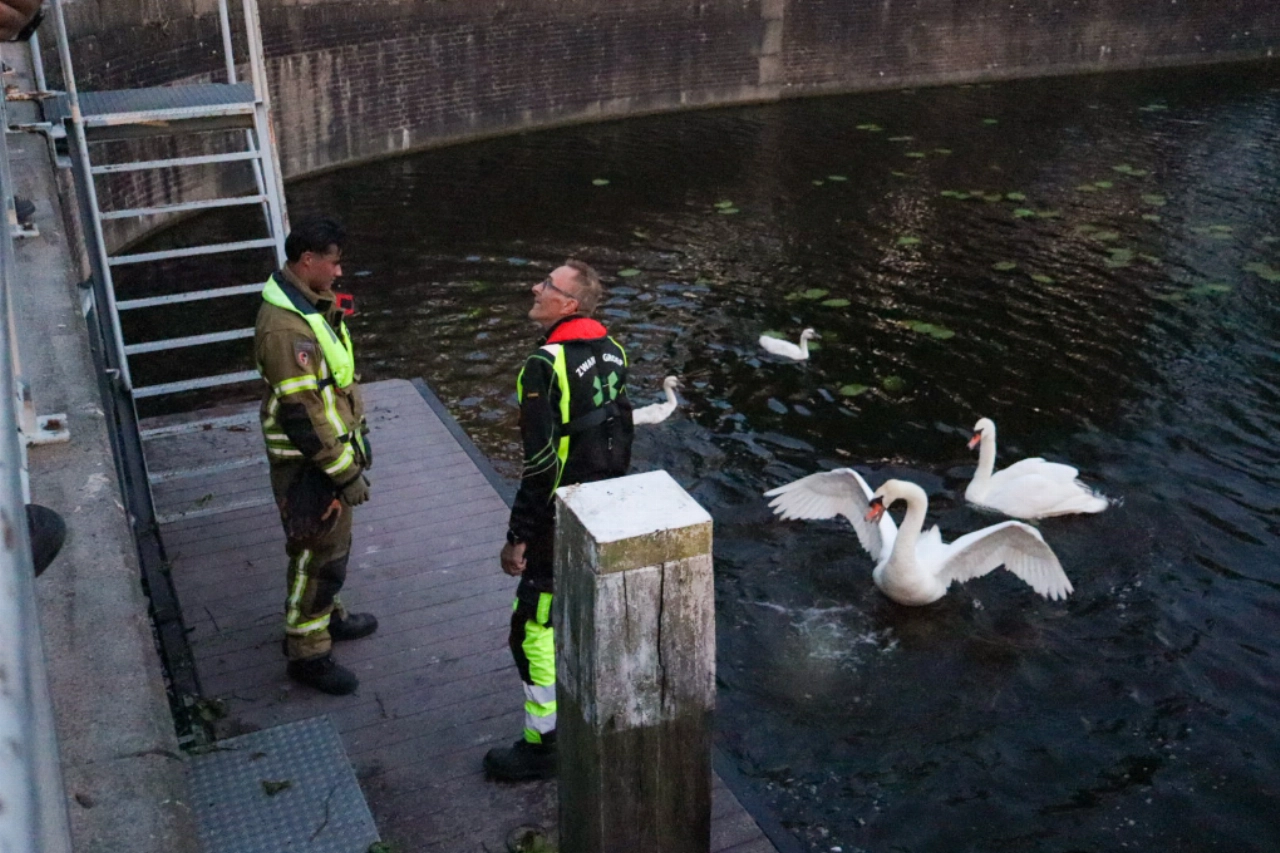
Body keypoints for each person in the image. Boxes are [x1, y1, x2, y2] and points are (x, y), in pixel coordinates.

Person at [484, 260, 634, 782]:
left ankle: (543, 744)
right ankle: (602, 711)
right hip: (601, 509)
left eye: (547, 285)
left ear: (568, 305)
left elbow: (541, 462)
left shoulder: (542, 366)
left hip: (556, 518)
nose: (536, 287)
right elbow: (621, 429)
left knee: (532, 628)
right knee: (585, 612)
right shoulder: (615, 352)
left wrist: (518, 536)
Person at [254, 216, 377, 696]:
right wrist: (344, 472)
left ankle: (328, 616)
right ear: (308, 261)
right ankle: (308, 651)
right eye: (333, 262)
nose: (339, 272)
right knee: (315, 555)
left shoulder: (307, 306)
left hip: (325, 455)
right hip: (309, 464)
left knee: (330, 548)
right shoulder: (287, 331)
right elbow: (302, 412)